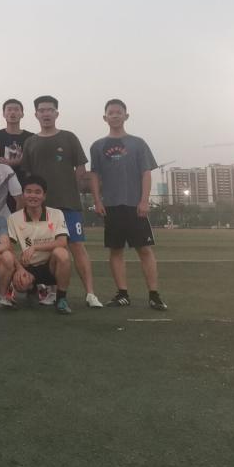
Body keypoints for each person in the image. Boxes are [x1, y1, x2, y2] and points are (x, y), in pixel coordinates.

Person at [22, 96, 103, 309]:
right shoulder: (30, 142)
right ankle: (51, 291)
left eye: (50, 109)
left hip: (69, 203)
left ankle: (90, 293)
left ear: (56, 113)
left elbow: (81, 168)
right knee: (48, 250)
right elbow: (28, 174)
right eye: (42, 110)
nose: (46, 113)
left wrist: (71, 187)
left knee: (77, 246)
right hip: (41, 208)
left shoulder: (69, 137)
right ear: (36, 114)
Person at [88, 99, 167, 311]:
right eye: (111, 113)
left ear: (126, 115)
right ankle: (122, 294)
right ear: (105, 117)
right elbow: (94, 175)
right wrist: (97, 200)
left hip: (135, 205)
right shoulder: (97, 146)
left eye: (118, 112)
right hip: (111, 206)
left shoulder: (138, 143)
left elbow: (146, 173)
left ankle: (154, 295)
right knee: (115, 250)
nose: (115, 115)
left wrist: (144, 200)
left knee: (144, 249)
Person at [7, 175, 74, 315]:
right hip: (29, 266)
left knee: (62, 253)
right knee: (21, 284)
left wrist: (35, 247)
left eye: (37, 192)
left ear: (44, 196)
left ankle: (61, 299)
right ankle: (31, 289)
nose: (33, 195)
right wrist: (19, 269)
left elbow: (62, 242)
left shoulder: (56, 214)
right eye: (28, 191)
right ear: (23, 194)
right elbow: (8, 248)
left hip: (50, 266)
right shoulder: (13, 218)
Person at [0, 99, 34, 211]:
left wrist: (21, 161)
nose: (12, 113)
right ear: (4, 114)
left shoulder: (31, 138)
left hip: (24, 183)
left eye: (16, 110)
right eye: (9, 110)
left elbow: (35, 159)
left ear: (22, 114)